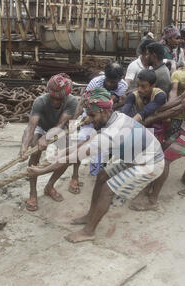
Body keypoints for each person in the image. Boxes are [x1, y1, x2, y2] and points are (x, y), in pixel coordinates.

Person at [26, 87, 165, 243]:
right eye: (88, 115)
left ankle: (89, 231)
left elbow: (74, 157)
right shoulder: (115, 116)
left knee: (108, 188)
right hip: (135, 156)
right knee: (101, 176)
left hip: (151, 163)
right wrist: (62, 152)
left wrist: (41, 170)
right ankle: (90, 216)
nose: (90, 119)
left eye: (92, 115)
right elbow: (84, 142)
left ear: (104, 111)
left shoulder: (111, 133)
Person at [130, 48, 185, 206]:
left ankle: (152, 200)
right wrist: (158, 108)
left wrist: (152, 117)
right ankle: (180, 181)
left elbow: (180, 107)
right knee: (166, 148)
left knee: (163, 161)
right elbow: (180, 98)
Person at [19, 73, 77, 211]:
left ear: (65, 96)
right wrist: (24, 147)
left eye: (59, 99)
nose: (55, 101)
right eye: (53, 98)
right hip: (42, 126)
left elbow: (61, 124)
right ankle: (33, 193)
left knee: (67, 157)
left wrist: (46, 138)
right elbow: (31, 127)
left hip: (60, 128)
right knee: (35, 150)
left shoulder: (72, 101)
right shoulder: (40, 101)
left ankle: (49, 186)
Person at [121, 69, 167, 142]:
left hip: (158, 127)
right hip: (144, 126)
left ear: (153, 86)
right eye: (138, 85)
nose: (139, 89)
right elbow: (125, 111)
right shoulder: (133, 96)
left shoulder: (160, 95)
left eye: (143, 86)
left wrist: (129, 125)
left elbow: (146, 111)